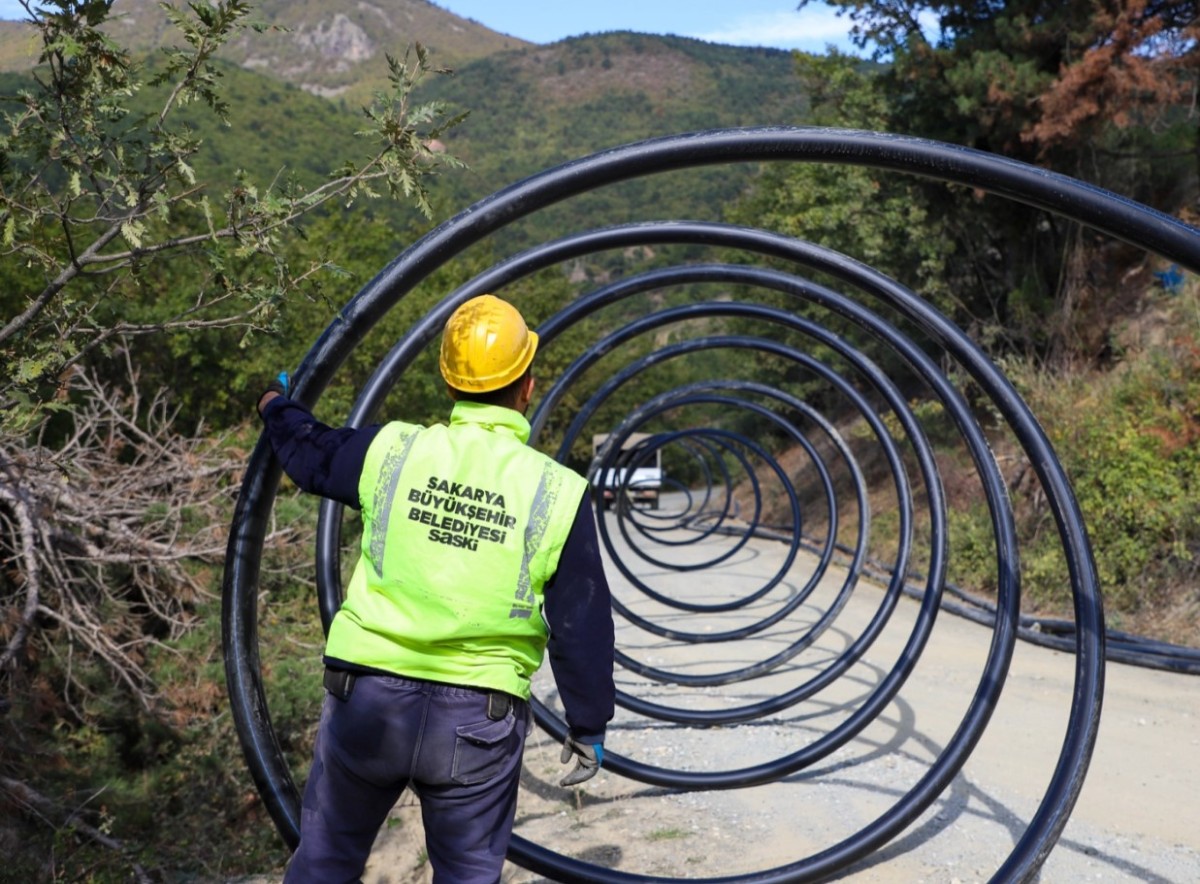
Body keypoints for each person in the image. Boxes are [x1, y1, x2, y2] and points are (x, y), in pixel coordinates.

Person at [256, 294, 616, 884]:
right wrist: (589, 724)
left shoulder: (395, 451)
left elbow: (311, 453)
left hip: (368, 701)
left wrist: (275, 405)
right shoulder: (557, 490)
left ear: (449, 385)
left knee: (325, 864)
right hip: (477, 716)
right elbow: (581, 620)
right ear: (527, 386)